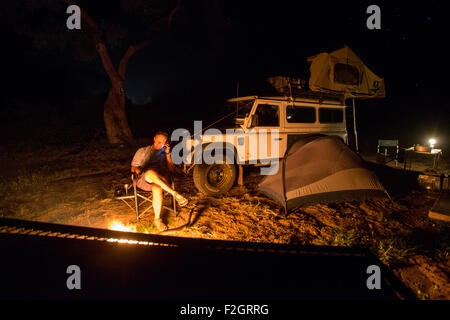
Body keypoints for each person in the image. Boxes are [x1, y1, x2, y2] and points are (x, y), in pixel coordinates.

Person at [131, 131, 188, 231]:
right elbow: (133, 168)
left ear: (166, 143)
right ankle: (175, 193)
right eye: (158, 141)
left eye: (162, 142)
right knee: (150, 172)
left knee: (157, 187)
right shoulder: (143, 151)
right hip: (145, 179)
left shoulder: (165, 153)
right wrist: (139, 171)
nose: (159, 144)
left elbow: (171, 170)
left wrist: (168, 154)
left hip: (161, 180)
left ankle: (157, 219)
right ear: (154, 139)